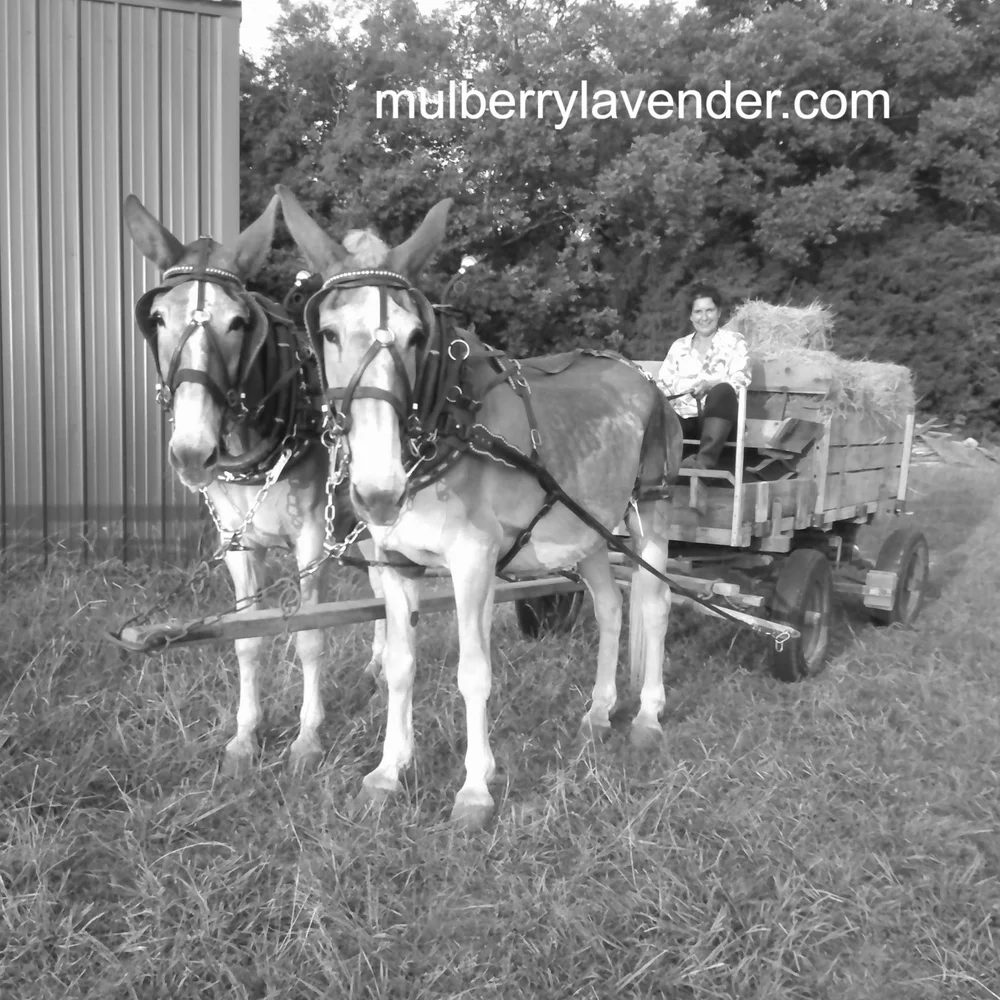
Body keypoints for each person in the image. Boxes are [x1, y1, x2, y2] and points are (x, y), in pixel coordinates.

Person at [656, 283, 752, 470]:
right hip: (683, 422)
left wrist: (712, 385)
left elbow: (741, 380)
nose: (704, 317)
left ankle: (704, 462)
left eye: (709, 310)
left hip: (720, 422)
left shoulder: (734, 341)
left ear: (719, 312)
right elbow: (663, 385)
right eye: (698, 312)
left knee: (723, 390)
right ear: (691, 316)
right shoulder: (679, 346)